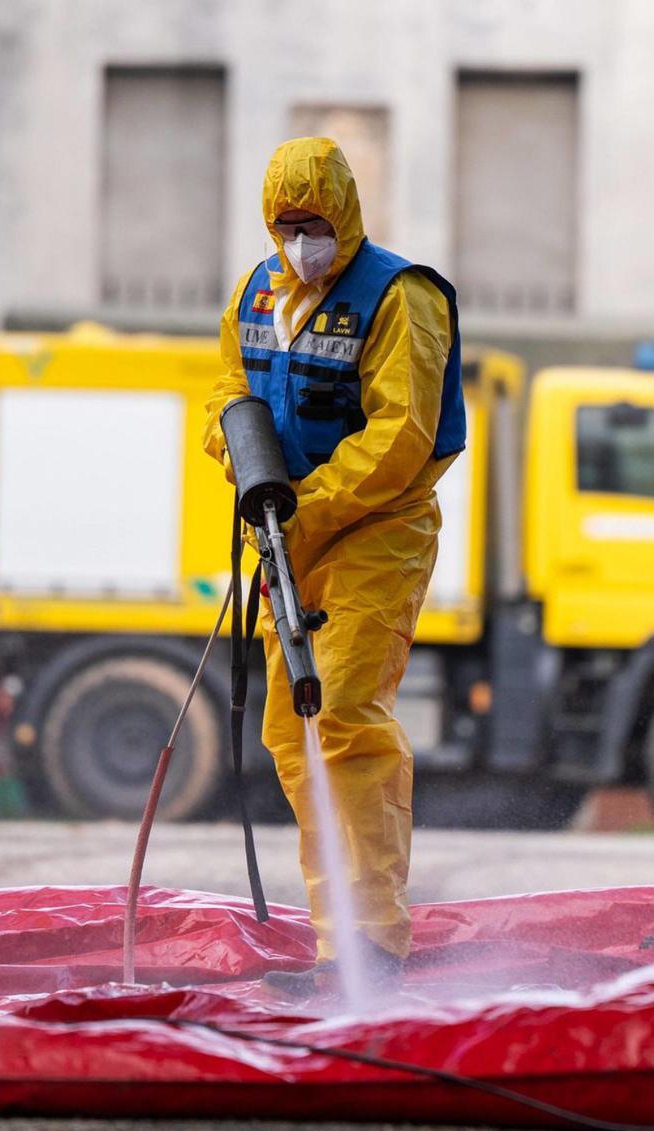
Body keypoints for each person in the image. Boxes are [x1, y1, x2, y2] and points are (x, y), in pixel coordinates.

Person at [204, 137, 465, 994]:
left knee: (345, 716)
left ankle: (377, 949)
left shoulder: (401, 297)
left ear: (345, 214)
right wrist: (236, 452)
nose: (300, 240)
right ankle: (335, 949)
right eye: (287, 225)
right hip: (287, 536)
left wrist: (308, 507)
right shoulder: (256, 292)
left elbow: (401, 439)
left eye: (313, 224)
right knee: (292, 734)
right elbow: (226, 391)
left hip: (376, 533)